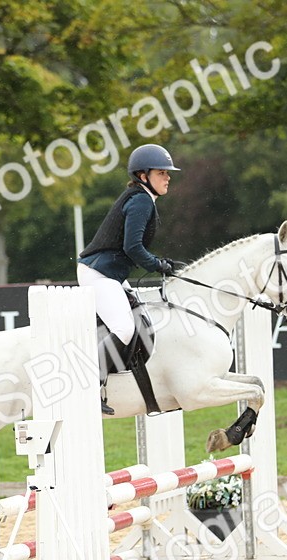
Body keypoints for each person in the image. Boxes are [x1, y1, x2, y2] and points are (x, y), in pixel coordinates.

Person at [77, 143, 183, 415]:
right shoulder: (140, 200)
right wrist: (158, 265)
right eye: (162, 173)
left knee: (139, 316)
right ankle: (91, 387)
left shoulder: (141, 198)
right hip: (99, 274)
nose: (168, 177)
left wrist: (161, 263)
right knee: (124, 328)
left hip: (110, 273)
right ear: (143, 175)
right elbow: (132, 248)